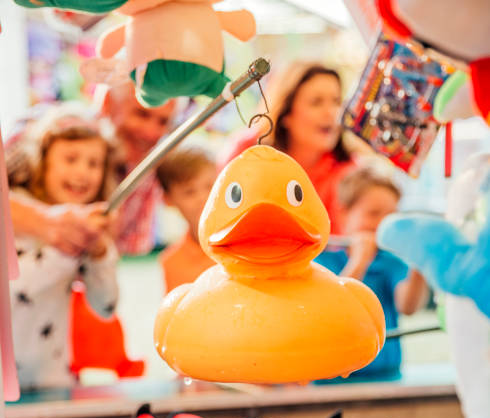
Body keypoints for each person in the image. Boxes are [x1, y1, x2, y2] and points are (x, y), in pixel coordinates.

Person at [8, 104, 119, 390]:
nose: (83, 173)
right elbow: (16, 291)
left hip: (51, 377)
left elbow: (105, 306)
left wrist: (99, 253)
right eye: (71, 159)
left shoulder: (82, 229)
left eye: (94, 163)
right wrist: (66, 248)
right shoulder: (15, 214)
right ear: (43, 160)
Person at [8, 82, 177, 256]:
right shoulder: (44, 127)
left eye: (163, 122)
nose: (152, 133)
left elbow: (126, 252)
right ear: (108, 103)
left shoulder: (145, 172)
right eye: (141, 114)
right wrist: (45, 222)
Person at [315, 166, 429, 378]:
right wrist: (359, 261)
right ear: (344, 214)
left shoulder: (391, 262)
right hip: (329, 376)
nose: (382, 225)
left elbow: (408, 306)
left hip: (386, 374)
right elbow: (331, 311)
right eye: (373, 214)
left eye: (391, 217)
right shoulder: (322, 260)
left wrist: (418, 265)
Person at [222, 61, 359, 235]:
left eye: (336, 101)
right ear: (286, 113)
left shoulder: (349, 173)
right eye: (316, 103)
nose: (331, 112)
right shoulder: (246, 152)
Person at [156, 146, 216, 293]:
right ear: (168, 199)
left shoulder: (245, 243)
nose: (203, 198)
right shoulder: (171, 263)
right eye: (189, 192)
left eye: (209, 186)